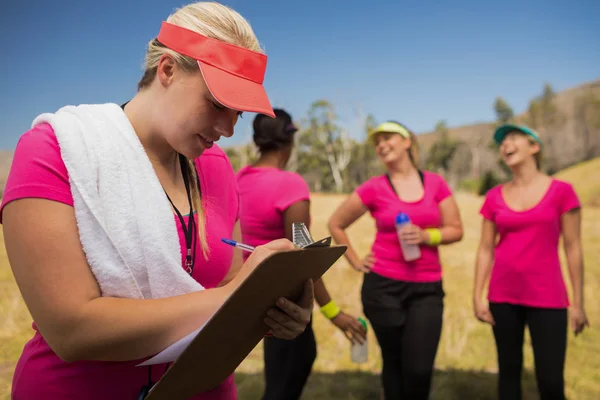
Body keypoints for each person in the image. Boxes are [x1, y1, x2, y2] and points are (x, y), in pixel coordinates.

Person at [0, 3, 314, 399]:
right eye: (217, 104)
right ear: (166, 69)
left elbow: (231, 277)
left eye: (238, 113)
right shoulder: (57, 151)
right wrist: (236, 296)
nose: (228, 129)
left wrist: (274, 308)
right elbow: (72, 331)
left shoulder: (214, 166)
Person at [236, 109, 367, 400]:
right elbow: (304, 257)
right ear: (290, 140)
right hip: (284, 300)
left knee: (282, 372)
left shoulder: (238, 179)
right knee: (288, 376)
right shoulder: (290, 185)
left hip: (245, 293)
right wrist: (334, 314)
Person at [328, 120, 463, 400]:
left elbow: (456, 229)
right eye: (377, 142)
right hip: (382, 289)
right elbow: (336, 223)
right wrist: (354, 260)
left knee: (419, 369)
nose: (381, 145)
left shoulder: (436, 184)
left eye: (388, 137)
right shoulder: (374, 187)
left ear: (407, 142)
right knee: (394, 363)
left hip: (426, 288)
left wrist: (428, 237)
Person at [473, 124, 589, 400]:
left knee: (550, 381)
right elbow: (485, 249)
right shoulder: (494, 196)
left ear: (534, 147)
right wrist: (477, 296)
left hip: (548, 297)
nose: (505, 145)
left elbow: (573, 247)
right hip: (503, 297)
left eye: (513, 138)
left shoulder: (562, 192)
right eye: (502, 142)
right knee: (508, 376)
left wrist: (579, 303)